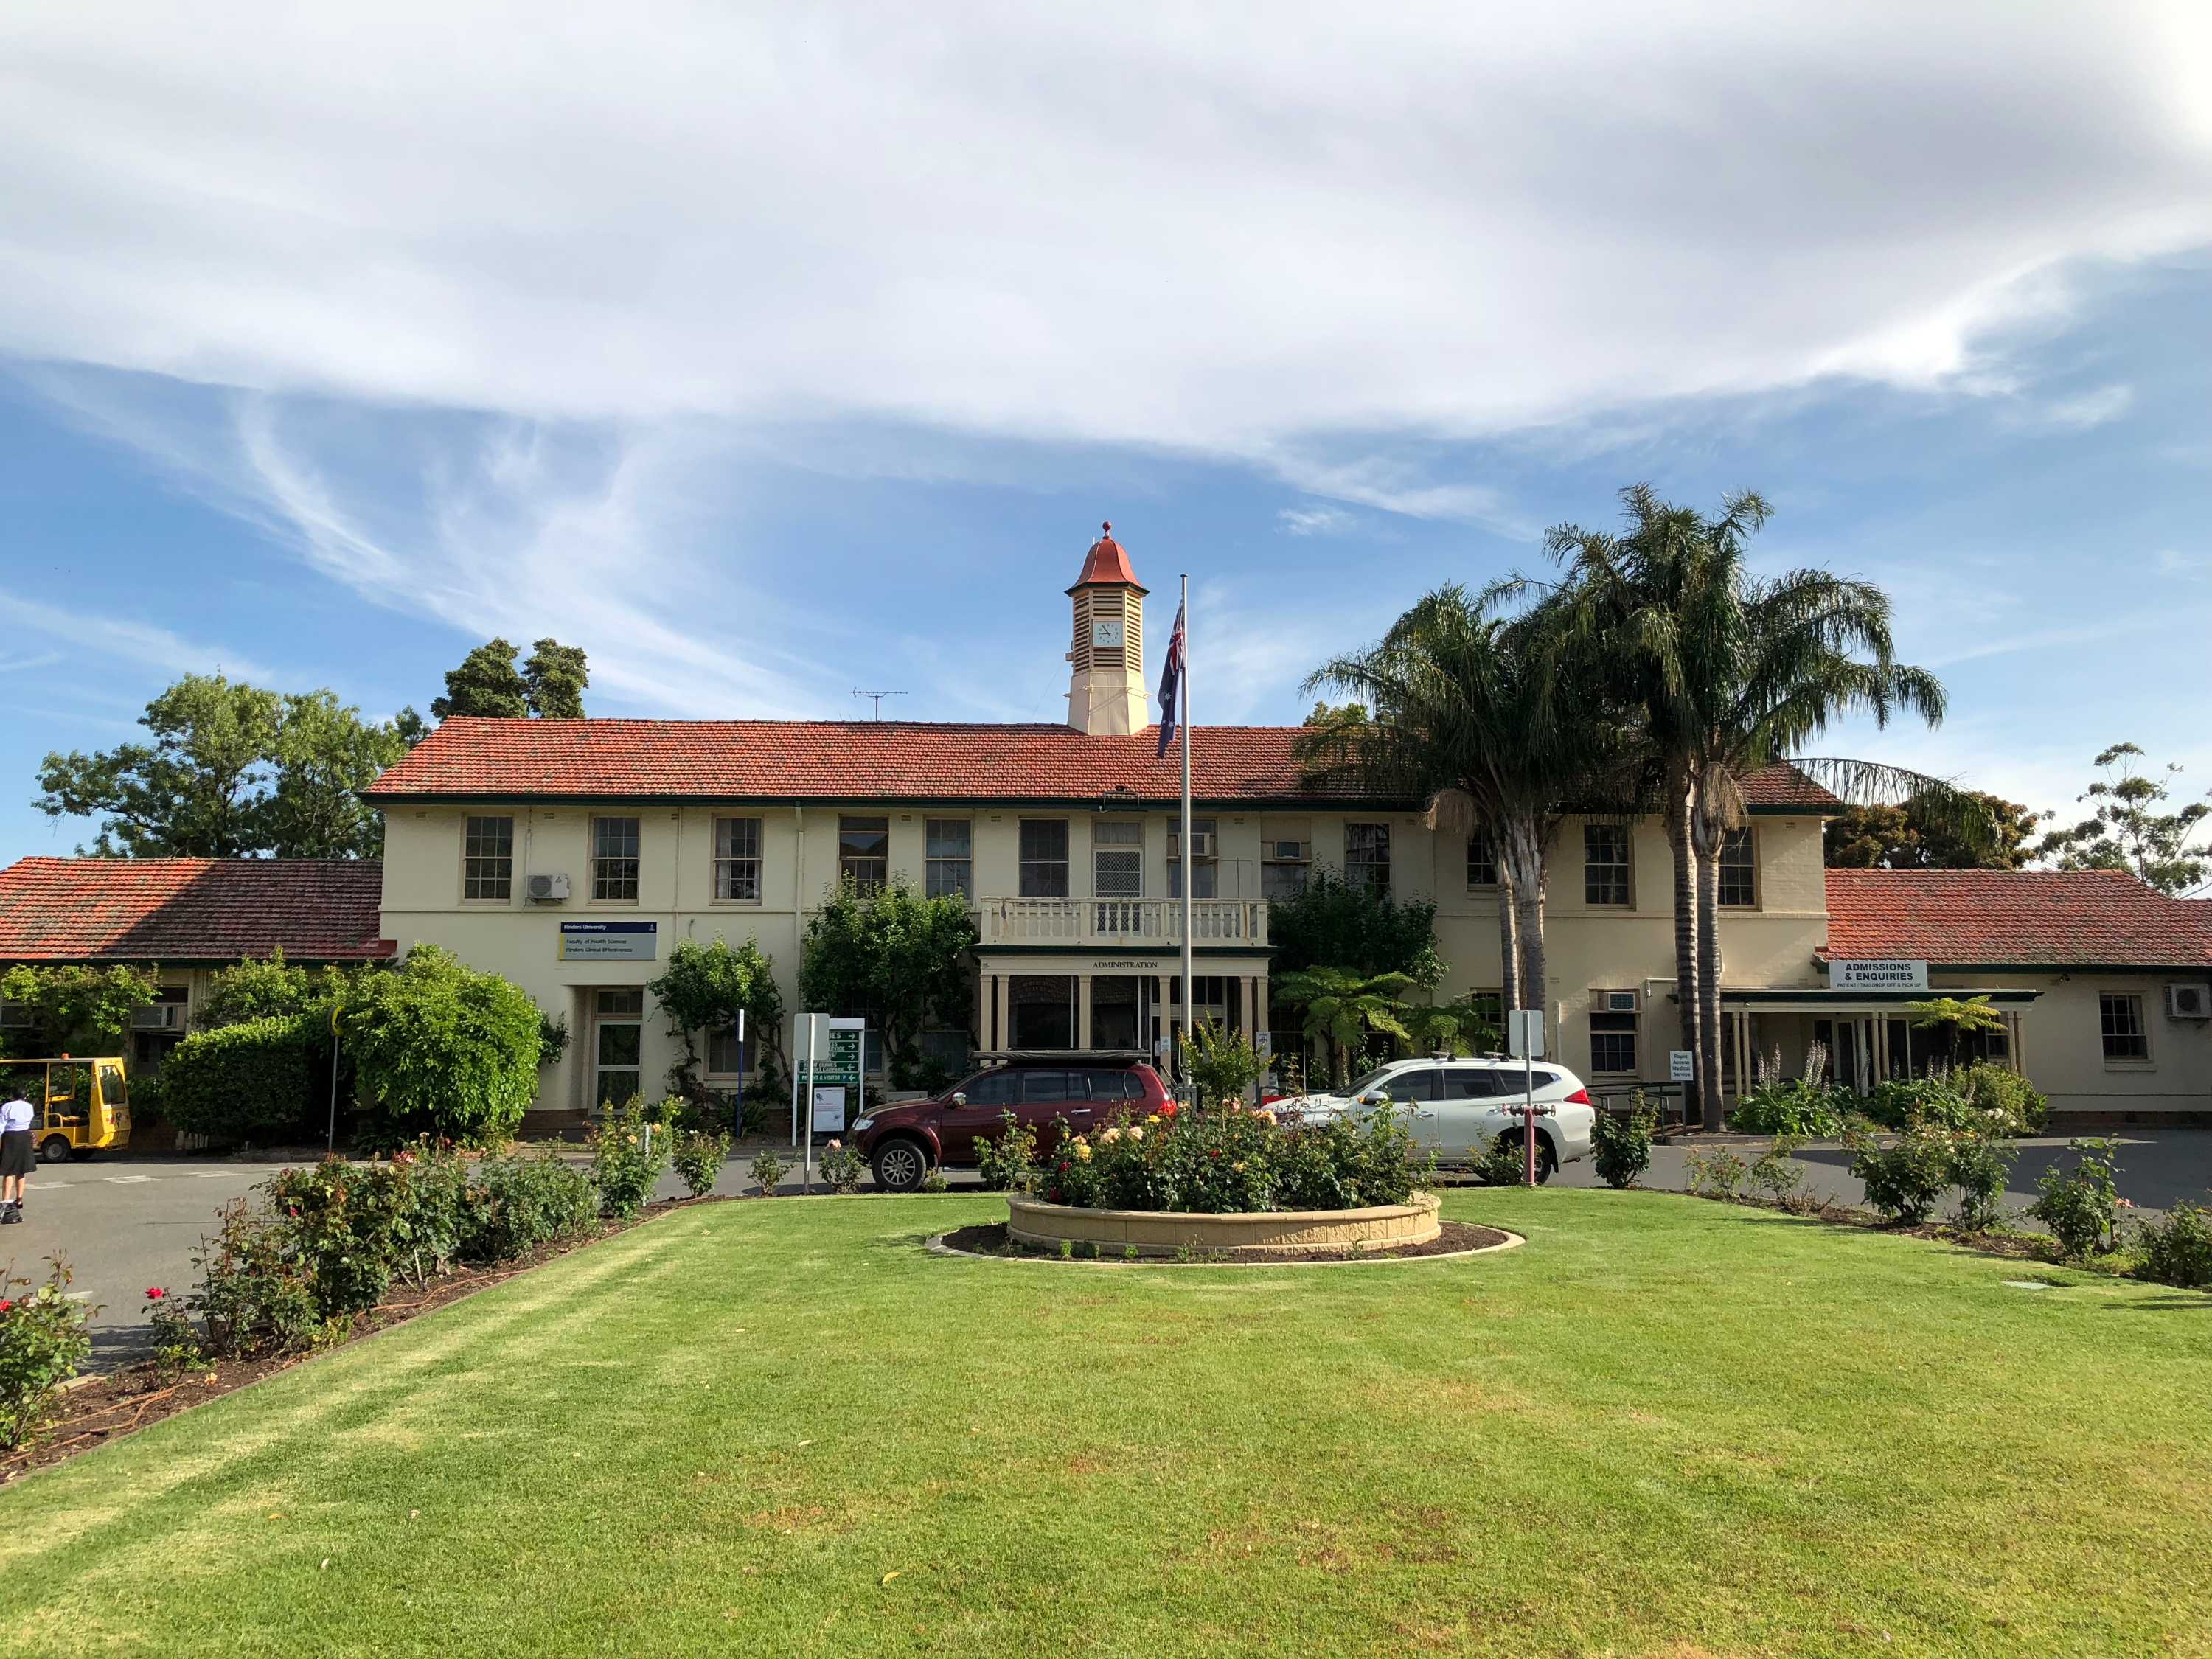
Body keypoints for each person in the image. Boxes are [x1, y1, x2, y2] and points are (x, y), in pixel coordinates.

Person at [0, 1089, 34, 1222]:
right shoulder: (29, 1107)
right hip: (25, 1136)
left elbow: (1, 1125)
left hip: (11, 1136)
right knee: (21, 1169)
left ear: (12, 1096)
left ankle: (5, 1201)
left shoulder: (7, 1106)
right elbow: (29, 1121)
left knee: (8, 1170)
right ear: (25, 1097)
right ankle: (19, 1199)